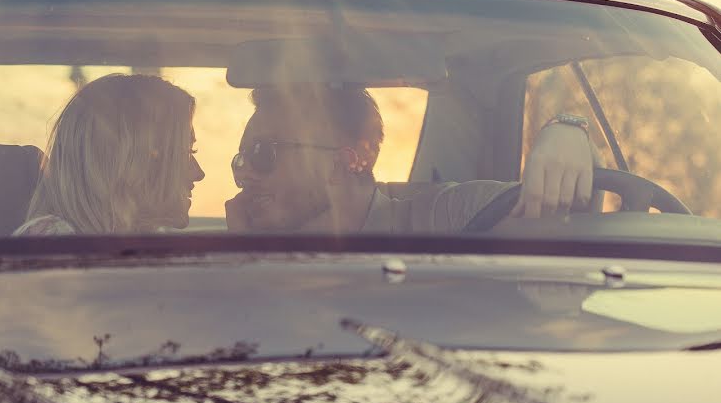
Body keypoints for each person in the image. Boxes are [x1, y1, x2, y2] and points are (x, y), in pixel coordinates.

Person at [225, 85, 595, 234]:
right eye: (240, 159)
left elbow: (556, 218)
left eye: (263, 154)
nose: (244, 175)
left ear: (345, 161)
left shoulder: (444, 218)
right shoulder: (229, 252)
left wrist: (568, 132)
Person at [15, 74, 204, 236]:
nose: (198, 173)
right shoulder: (54, 241)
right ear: (132, 162)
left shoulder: (129, 243)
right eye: (185, 152)